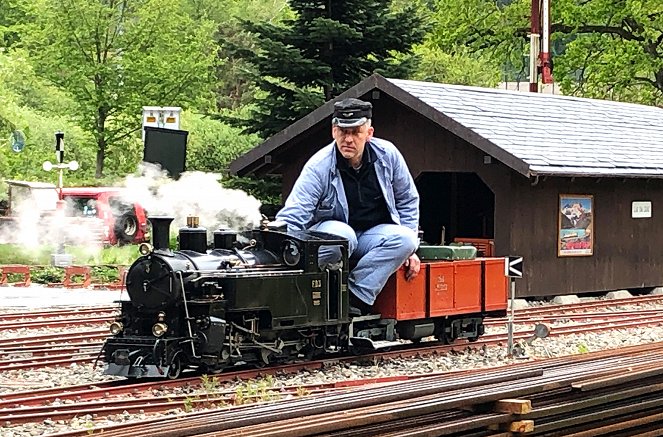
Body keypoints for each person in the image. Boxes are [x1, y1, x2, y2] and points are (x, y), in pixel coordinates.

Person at [275, 97, 421, 315]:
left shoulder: (388, 155)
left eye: (355, 132)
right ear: (334, 131)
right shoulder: (319, 166)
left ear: (369, 133)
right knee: (343, 236)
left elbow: (407, 200)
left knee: (406, 239)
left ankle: (353, 296)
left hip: (372, 237)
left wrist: (410, 251)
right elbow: (295, 214)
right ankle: (312, 291)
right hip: (331, 236)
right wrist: (281, 253)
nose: (348, 139)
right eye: (343, 132)